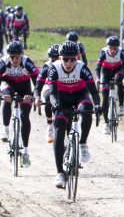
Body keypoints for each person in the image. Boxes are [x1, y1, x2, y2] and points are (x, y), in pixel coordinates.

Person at [42, 41, 99, 189]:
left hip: (80, 96)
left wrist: (98, 105)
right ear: (60, 58)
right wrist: (55, 104)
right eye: (65, 59)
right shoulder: (54, 69)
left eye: (72, 59)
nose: (68, 63)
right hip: (62, 98)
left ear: (77, 58)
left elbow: (93, 91)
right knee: (59, 129)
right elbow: (52, 94)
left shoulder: (82, 68)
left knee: (87, 108)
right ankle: (60, 173)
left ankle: (83, 143)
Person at [0, 41, 39, 167]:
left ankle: (25, 152)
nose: (14, 59)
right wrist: (2, 96)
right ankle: (6, 129)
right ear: (8, 56)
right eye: (11, 56)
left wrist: (33, 97)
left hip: (25, 88)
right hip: (8, 85)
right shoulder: (2, 62)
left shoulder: (27, 62)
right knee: (7, 96)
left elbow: (37, 85)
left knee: (24, 117)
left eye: (17, 56)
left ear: (21, 55)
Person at [95, 36, 124, 130]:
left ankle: (121, 105)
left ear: (118, 48)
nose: (113, 51)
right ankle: (106, 123)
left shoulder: (122, 52)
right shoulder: (103, 52)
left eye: (115, 48)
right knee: (105, 97)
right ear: (107, 47)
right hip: (106, 72)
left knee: (119, 80)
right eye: (111, 48)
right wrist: (98, 79)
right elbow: (98, 68)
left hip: (118, 70)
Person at [34, 44, 60, 144]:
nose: (55, 62)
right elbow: (38, 85)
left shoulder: (68, 64)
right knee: (49, 99)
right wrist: (37, 97)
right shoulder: (47, 66)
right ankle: (49, 126)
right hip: (48, 86)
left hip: (63, 87)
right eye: (53, 60)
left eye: (58, 59)